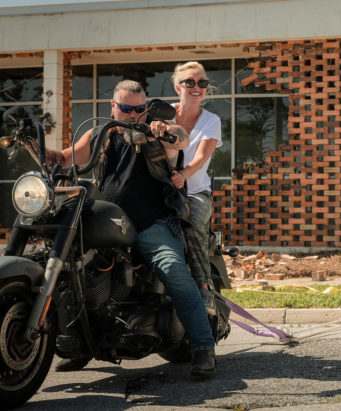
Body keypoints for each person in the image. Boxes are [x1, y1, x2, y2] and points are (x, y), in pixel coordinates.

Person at [45, 80, 216, 377]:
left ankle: (203, 347)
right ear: (113, 106)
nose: (133, 115)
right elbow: (64, 159)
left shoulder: (155, 133)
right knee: (73, 269)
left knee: (174, 269)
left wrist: (167, 129)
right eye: (126, 108)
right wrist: (37, 147)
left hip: (152, 222)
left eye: (139, 109)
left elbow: (181, 140)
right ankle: (81, 342)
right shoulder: (101, 134)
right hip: (106, 221)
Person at [169, 62, 221, 312]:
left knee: (190, 224)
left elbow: (200, 159)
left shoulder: (211, 120)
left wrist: (182, 175)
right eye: (190, 82)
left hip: (195, 192)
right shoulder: (161, 114)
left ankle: (203, 288)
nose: (196, 87)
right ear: (177, 85)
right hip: (162, 191)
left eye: (202, 83)